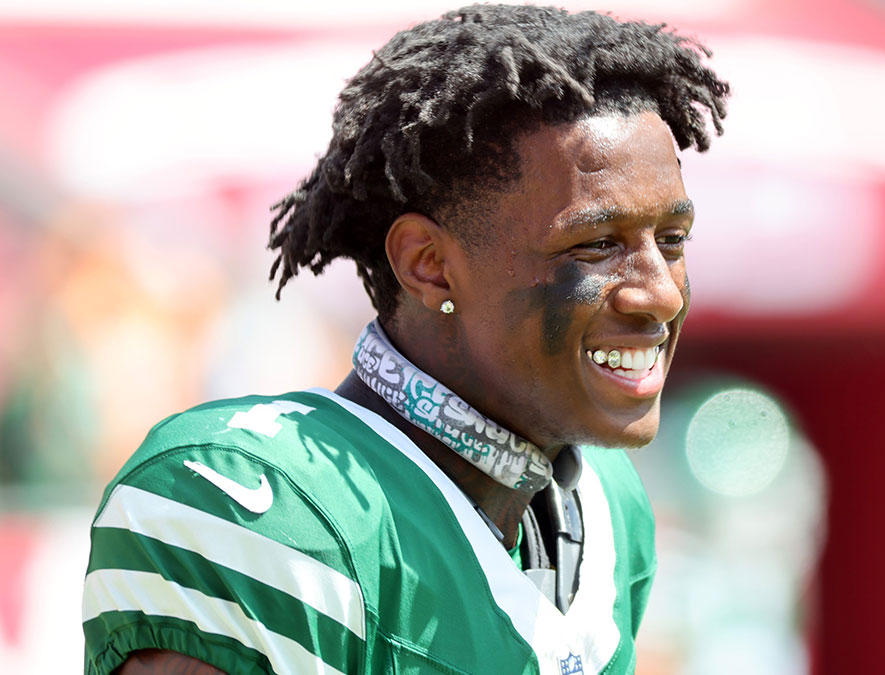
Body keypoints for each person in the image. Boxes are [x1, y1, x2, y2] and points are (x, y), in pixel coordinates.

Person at [81, 5, 729, 674]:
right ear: (429, 263)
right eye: (597, 244)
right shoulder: (258, 505)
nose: (662, 292)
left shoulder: (610, 507)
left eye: (672, 240)